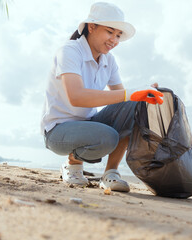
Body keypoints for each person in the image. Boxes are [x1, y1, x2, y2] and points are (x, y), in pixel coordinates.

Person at [41, 2, 163, 192]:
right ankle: (72, 164)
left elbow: (124, 101)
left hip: (89, 123)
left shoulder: (109, 60)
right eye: (109, 32)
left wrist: (142, 93)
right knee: (108, 137)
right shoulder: (70, 51)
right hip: (58, 131)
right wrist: (129, 93)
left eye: (118, 35)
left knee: (134, 105)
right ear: (92, 27)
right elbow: (76, 97)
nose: (114, 40)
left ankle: (110, 173)